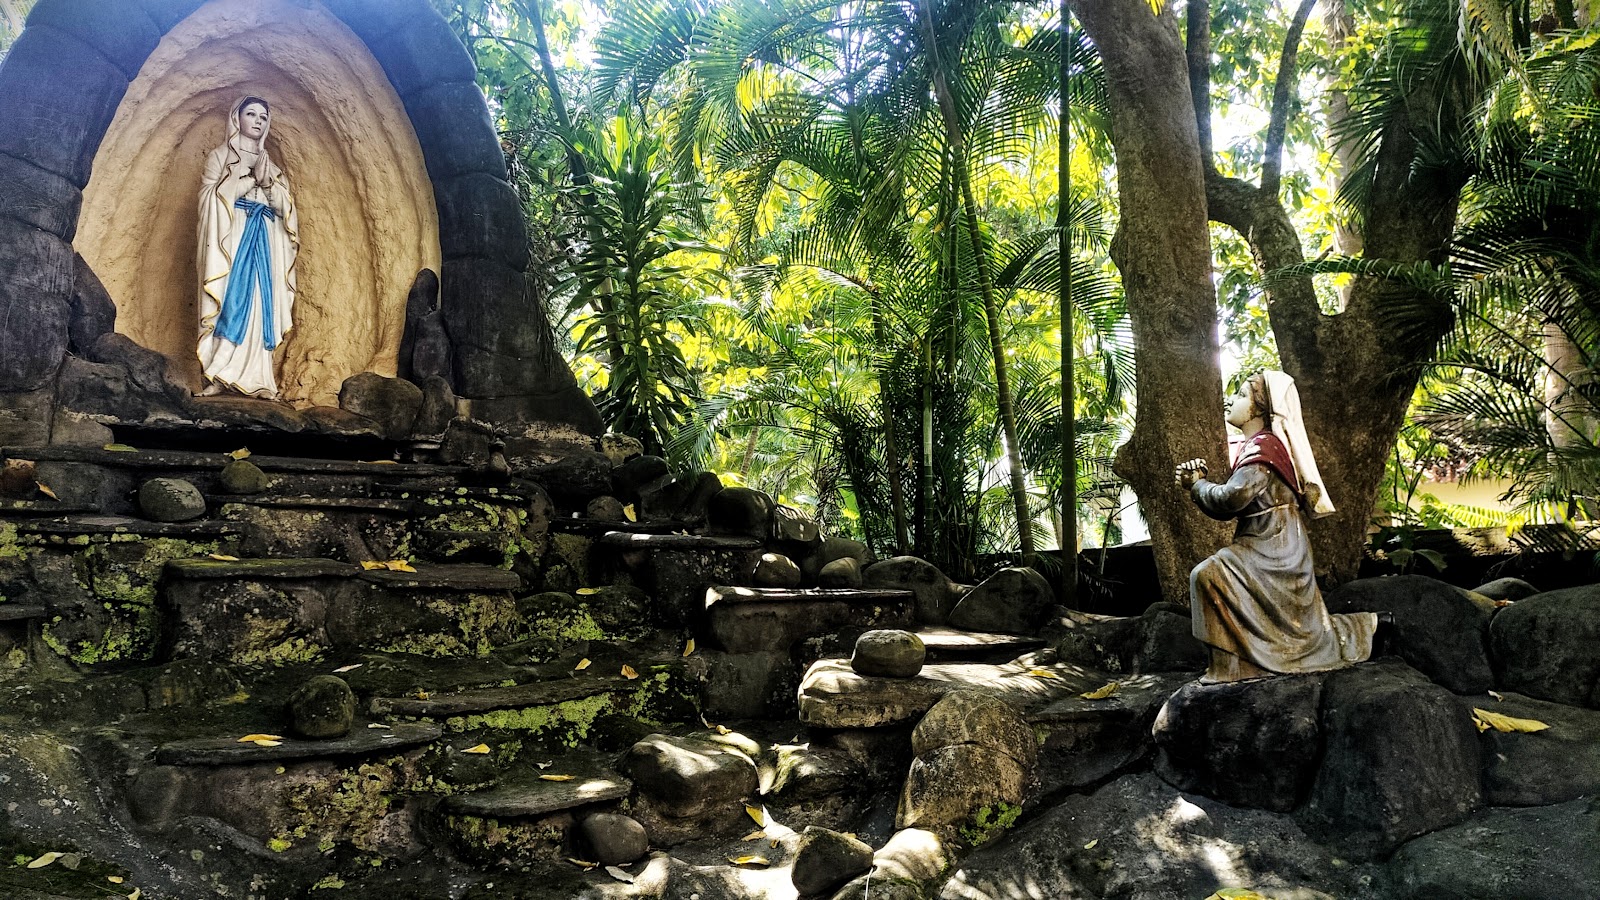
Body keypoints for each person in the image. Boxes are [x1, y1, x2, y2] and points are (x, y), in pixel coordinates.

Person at [1173, 371, 1378, 683]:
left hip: (1275, 548)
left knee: (1207, 576)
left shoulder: (1263, 449)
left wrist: (1197, 485)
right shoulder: (1256, 446)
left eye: (1242, 395)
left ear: (1260, 408)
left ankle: (1232, 665)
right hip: (1266, 542)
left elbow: (1232, 499)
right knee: (1213, 577)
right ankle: (1234, 664)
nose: (1232, 400)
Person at [197, 95, 299, 399]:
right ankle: (217, 373)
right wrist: (247, 181)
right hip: (232, 240)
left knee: (260, 303)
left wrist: (267, 184)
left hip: (264, 243)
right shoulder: (219, 157)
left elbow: (286, 211)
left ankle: (260, 379)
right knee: (231, 300)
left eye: (263, 116)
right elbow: (209, 200)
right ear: (236, 118)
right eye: (251, 113)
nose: (257, 120)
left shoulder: (273, 166)